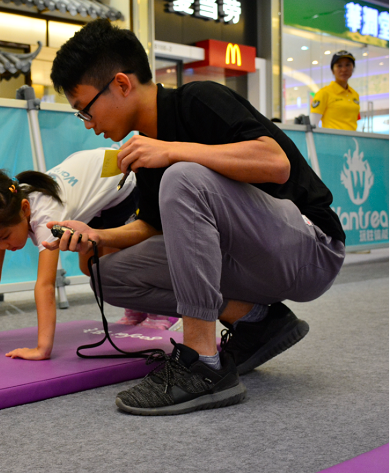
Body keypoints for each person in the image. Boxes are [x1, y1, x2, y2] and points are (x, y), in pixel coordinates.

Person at [46, 19, 345, 415]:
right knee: (110, 275)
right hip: (247, 259)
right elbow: (153, 226)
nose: (89, 123)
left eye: (85, 109)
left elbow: (276, 163)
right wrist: (98, 236)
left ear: (121, 84)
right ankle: (257, 321)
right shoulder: (145, 147)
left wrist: (174, 151)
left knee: (183, 176)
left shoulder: (198, 100)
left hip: (311, 249)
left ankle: (202, 364)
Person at [0, 148, 144, 360]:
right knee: (91, 267)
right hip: (93, 185)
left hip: (119, 181)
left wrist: (42, 349)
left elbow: (45, 284)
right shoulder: (4, 208)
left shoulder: (46, 217)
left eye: (4, 237)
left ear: (25, 209)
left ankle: (155, 312)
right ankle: (136, 309)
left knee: (114, 267)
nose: (1, 246)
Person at [310, 51, 360, 130]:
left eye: (348, 65)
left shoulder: (355, 94)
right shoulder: (324, 93)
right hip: (332, 137)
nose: (344, 69)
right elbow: (312, 125)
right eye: (339, 66)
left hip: (353, 137)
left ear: (353, 68)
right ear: (332, 70)